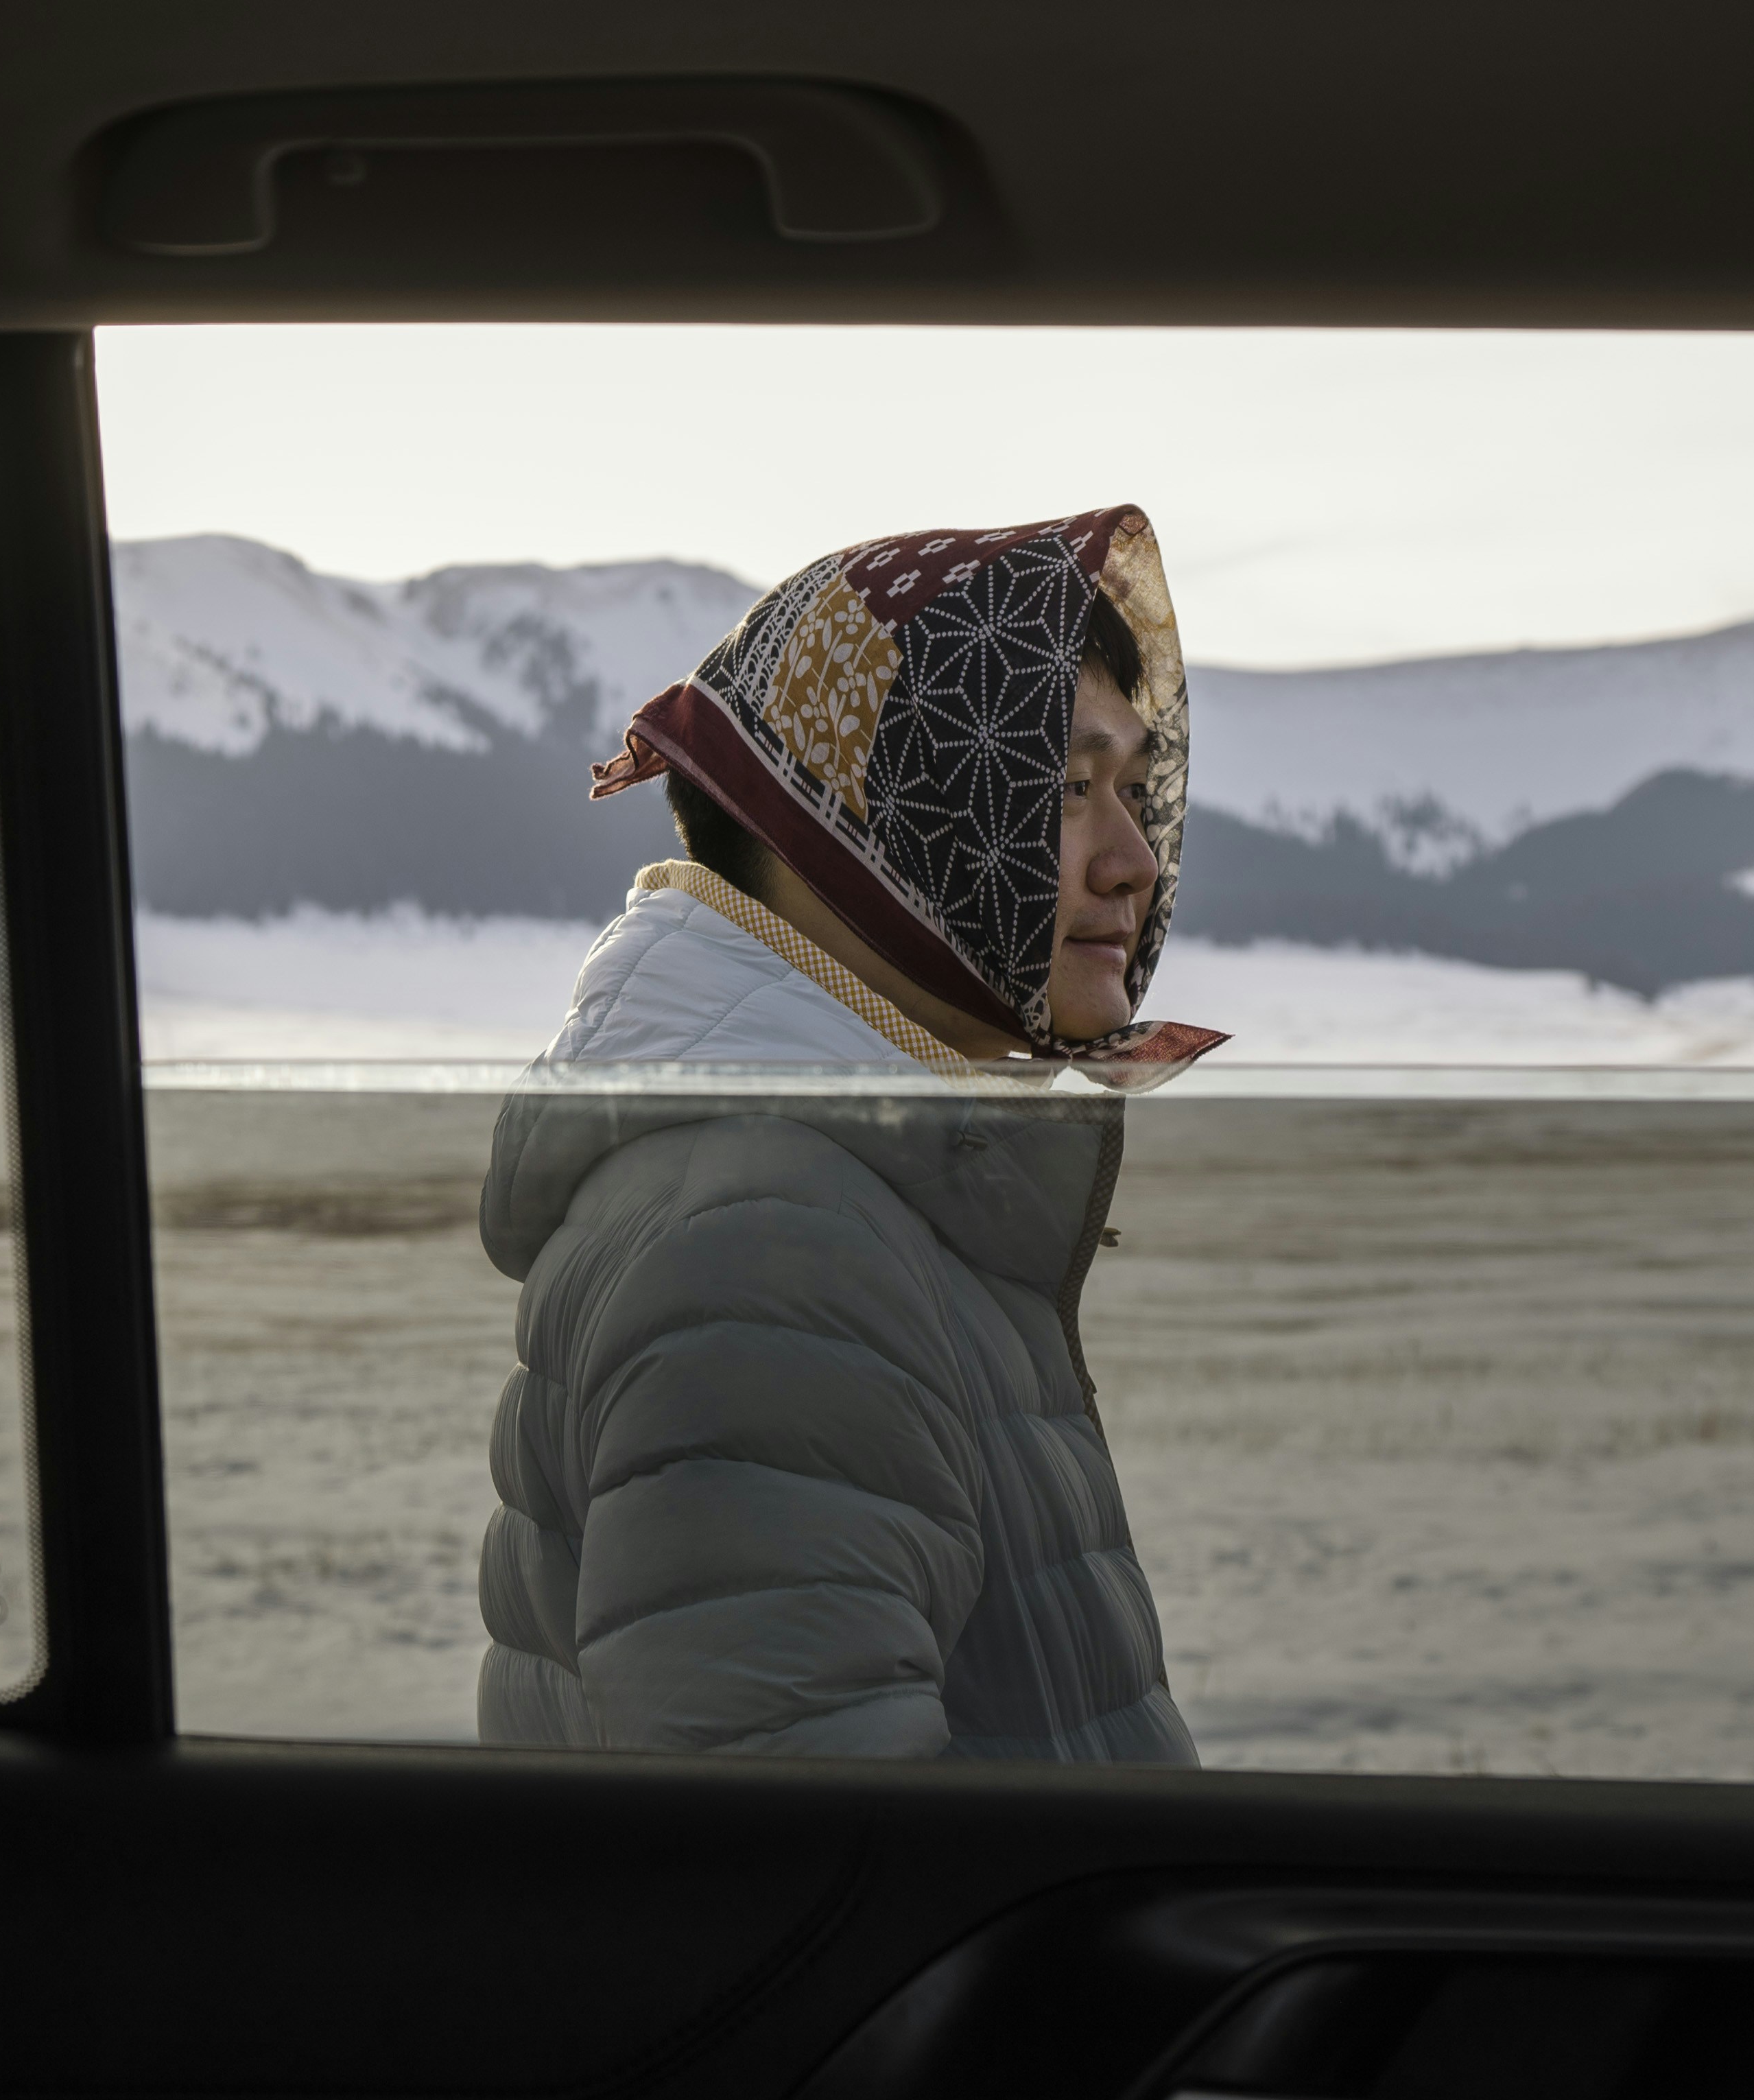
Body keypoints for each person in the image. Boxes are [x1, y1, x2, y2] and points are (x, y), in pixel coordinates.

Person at [475, 506, 1224, 1760]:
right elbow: (819, 1885)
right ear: (878, 818)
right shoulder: (770, 1252)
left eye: (1134, 790)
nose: (1133, 861)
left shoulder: (839, 1190)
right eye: (1065, 788)